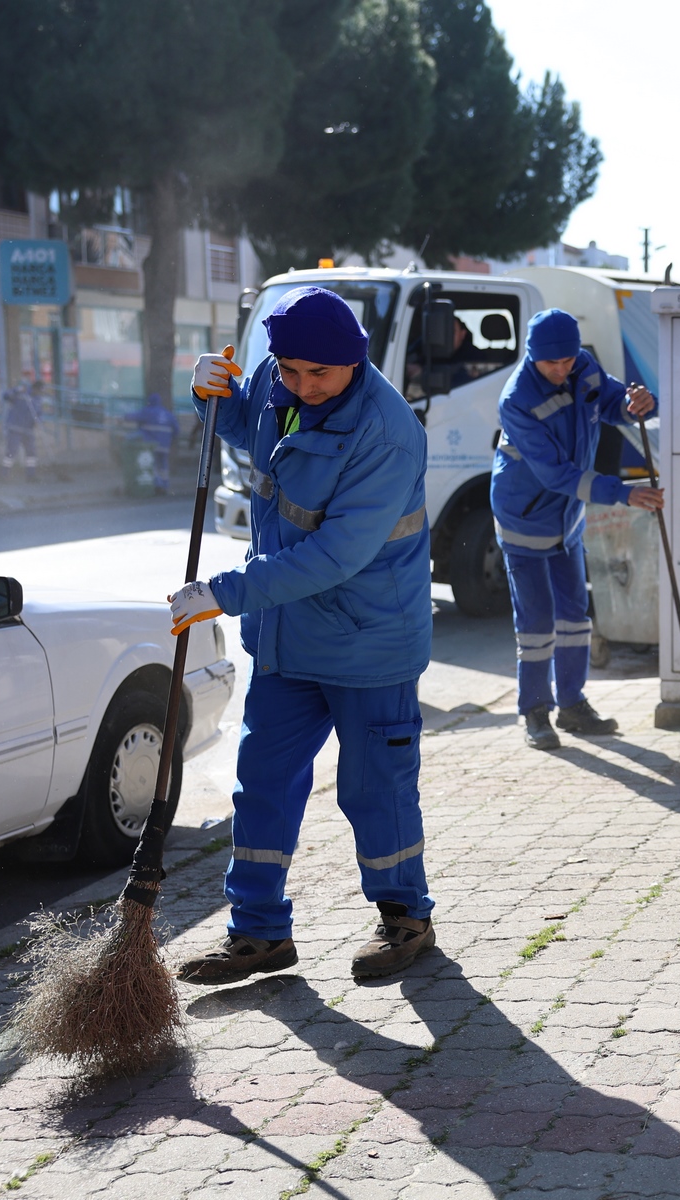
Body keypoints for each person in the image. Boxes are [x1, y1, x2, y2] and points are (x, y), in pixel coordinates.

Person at [168, 286, 437, 984]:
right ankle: (257, 933)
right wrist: (208, 395)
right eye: (289, 370)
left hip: (368, 642)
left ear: (354, 361)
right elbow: (238, 425)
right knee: (261, 783)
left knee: (376, 788)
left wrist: (224, 593)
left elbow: (334, 557)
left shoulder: (387, 433)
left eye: (318, 374)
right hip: (288, 639)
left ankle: (404, 916)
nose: (302, 386)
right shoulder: (275, 382)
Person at [490, 308, 662, 751]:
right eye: (552, 364)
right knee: (537, 622)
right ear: (532, 357)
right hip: (524, 517)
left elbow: (610, 403)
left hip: (566, 519)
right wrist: (623, 493)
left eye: (567, 361)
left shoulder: (582, 366)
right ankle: (535, 711)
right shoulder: (516, 400)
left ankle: (572, 704)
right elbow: (556, 474)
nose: (562, 370)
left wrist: (635, 404)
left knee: (575, 616)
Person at [130, 392, 180, 494]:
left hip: (152, 445)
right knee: (164, 465)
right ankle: (165, 484)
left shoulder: (148, 411)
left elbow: (134, 416)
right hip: (165, 445)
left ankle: (158, 485)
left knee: (154, 465)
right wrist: (170, 439)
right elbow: (176, 429)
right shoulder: (167, 413)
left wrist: (122, 418)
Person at [1, 386, 41, 482]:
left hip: (28, 430)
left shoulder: (37, 399)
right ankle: (4, 475)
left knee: (31, 453)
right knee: (11, 452)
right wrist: (16, 390)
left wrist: (38, 421)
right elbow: (5, 396)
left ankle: (31, 475)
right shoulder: (20, 395)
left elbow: (38, 413)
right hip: (15, 428)